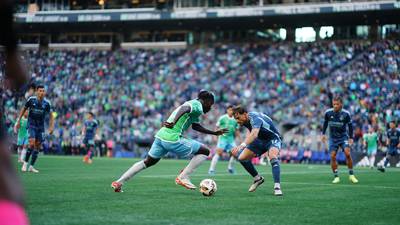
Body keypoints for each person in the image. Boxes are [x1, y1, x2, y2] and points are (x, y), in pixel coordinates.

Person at [111, 90, 227, 192]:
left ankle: (119, 182)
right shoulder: (197, 105)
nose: (210, 107)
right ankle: (183, 176)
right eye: (211, 104)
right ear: (206, 101)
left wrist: (214, 133)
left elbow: (196, 126)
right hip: (172, 138)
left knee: (148, 162)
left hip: (161, 136)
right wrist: (174, 122)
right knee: (205, 151)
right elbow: (184, 108)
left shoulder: (194, 107)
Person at [231, 105, 283, 196]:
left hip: (272, 139)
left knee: (272, 157)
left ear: (245, 114)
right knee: (242, 158)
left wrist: (242, 145)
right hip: (260, 140)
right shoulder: (245, 120)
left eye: (238, 118)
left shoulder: (255, 118)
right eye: (235, 119)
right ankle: (257, 179)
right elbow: (252, 133)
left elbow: (254, 134)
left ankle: (277, 187)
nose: (237, 121)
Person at [15, 85, 54, 173]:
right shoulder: (31, 100)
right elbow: (23, 109)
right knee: (31, 143)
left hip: (41, 127)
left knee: (38, 146)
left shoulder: (47, 103)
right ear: (37, 91)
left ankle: (31, 167)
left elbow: (51, 115)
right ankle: (25, 164)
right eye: (40, 91)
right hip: (31, 125)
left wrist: (51, 127)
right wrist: (18, 121)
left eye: (43, 91)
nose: (42, 92)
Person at [321, 96, 358, 184]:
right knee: (333, 156)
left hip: (343, 137)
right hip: (333, 138)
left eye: (337, 104)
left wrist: (351, 138)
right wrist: (323, 134)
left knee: (347, 154)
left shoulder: (346, 114)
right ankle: (336, 176)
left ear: (341, 104)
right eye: (334, 104)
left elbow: (350, 126)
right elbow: (325, 123)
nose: (335, 106)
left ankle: (351, 175)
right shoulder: (328, 113)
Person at [208, 105, 240, 175]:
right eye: (231, 110)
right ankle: (211, 170)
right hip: (223, 138)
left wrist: (240, 140)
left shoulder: (235, 119)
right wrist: (215, 136)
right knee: (219, 152)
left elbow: (237, 130)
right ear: (227, 110)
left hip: (231, 139)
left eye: (233, 110)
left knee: (235, 153)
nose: (232, 112)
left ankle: (230, 168)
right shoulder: (222, 118)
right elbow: (216, 127)